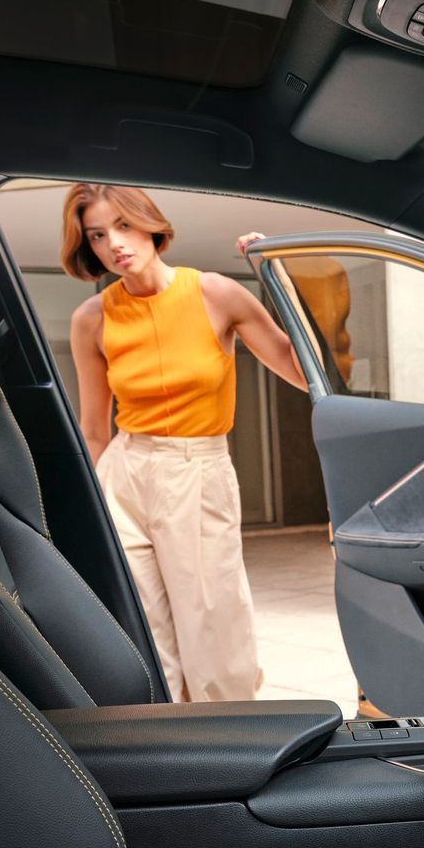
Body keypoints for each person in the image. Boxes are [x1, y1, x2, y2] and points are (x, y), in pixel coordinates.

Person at [63, 185, 304, 701]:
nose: (114, 245)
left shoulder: (215, 293)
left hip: (198, 469)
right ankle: (166, 743)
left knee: (212, 621)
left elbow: (304, 372)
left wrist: (277, 279)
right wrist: (89, 508)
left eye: (123, 226)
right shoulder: (93, 319)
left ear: (151, 224)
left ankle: (233, 741)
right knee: (141, 621)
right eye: (98, 235)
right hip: (125, 473)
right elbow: (94, 429)